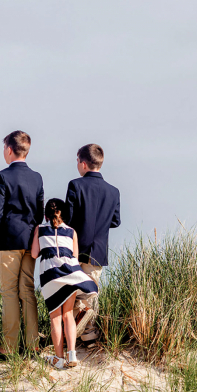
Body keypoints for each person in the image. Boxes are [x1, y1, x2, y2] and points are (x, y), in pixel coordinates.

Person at [0, 130, 44, 355]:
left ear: (9, 150)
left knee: (9, 292)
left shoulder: (1, 176)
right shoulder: (37, 177)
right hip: (31, 241)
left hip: (8, 240)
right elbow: (39, 213)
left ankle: (9, 347)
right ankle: (33, 344)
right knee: (27, 291)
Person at [32, 198, 99, 369]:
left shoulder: (39, 229)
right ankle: (72, 355)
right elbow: (75, 257)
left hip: (50, 277)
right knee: (68, 314)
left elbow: (34, 254)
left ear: (46, 214)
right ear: (63, 213)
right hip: (69, 274)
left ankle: (59, 358)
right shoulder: (71, 232)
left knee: (55, 318)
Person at [65, 144, 121, 346]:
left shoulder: (75, 185)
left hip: (76, 248)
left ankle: (69, 335)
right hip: (98, 250)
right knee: (92, 291)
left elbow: (68, 219)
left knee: (71, 291)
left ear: (83, 162)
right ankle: (89, 334)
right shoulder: (113, 191)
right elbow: (115, 221)